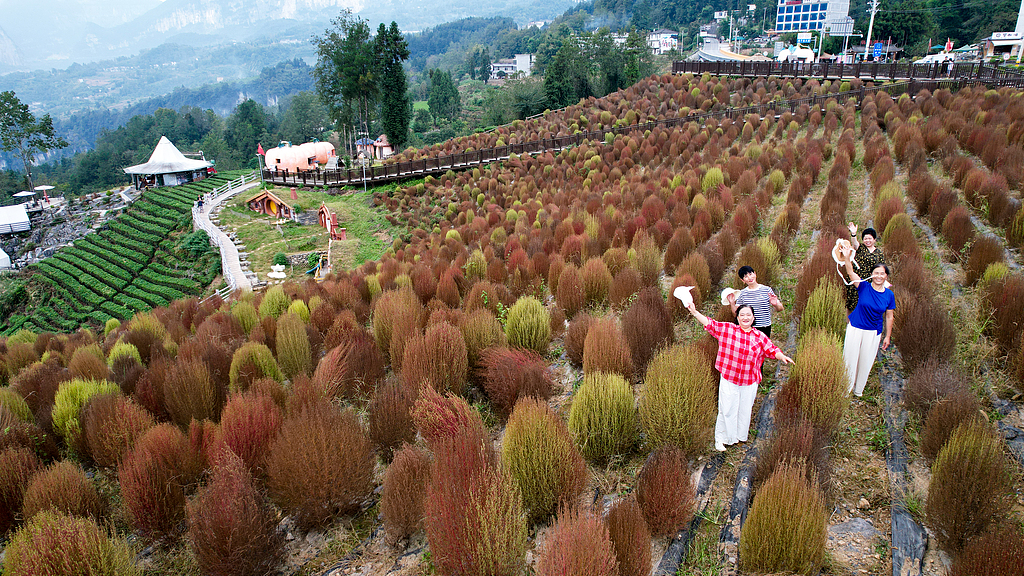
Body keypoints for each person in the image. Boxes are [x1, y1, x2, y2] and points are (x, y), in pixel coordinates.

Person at [684, 301, 794, 451]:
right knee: (727, 408)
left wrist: (782, 356)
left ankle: (739, 437)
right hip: (730, 378)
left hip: (749, 380)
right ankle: (722, 438)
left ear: (753, 318)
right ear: (737, 317)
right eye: (742, 315)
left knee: (744, 409)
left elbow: (772, 349)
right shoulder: (728, 330)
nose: (745, 317)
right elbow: (710, 324)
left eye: (748, 315)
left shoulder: (759, 336)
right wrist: (695, 312)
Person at [840, 247, 895, 397]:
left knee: (865, 361)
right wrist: (847, 257)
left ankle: (858, 390)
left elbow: (889, 317)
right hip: (855, 328)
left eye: (882, 274)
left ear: (886, 276)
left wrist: (887, 336)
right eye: (876, 273)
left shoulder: (889, 295)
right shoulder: (864, 287)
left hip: (873, 332)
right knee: (849, 358)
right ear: (871, 275)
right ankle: (845, 390)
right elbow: (850, 272)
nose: (878, 276)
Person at [727, 265, 784, 337]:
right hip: (749, 328)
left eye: (750, 274)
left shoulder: (767, 290)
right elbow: (736, 314)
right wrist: (732, 303)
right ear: (743, 280)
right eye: (746, 276)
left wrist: (775, 304)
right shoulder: (742, 294)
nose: (749, 278)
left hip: (765, 327)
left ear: (755, 274)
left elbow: (780, 308)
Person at [844, 223, 886, 312]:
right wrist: (853, 234)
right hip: (857, 280)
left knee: (867, 305)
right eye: (865, 239)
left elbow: (883, 269)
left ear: (874, 239)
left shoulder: (879, 253)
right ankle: (850, 321)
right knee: (852, 305)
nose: (867, 240)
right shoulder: (861, 248)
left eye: (870, 238)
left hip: (870, 283)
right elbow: (855, 244)